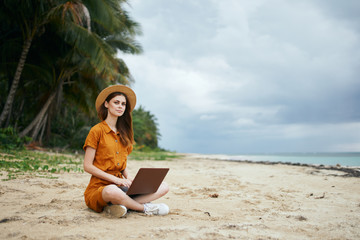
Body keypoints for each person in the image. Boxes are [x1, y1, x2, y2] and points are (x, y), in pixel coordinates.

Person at [83, 84, 169, 218]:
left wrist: (128, 177)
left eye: (123, 104)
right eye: (116, 102)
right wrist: (116, 180)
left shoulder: (125, 134)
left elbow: (121, 164)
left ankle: (120, 205)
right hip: (101, 188)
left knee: (163, 186)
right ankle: (144, 208)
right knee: (112, 192)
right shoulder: (96, 131)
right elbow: (87, 166)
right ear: (106, 104)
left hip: (121, 186)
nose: (120, 106)